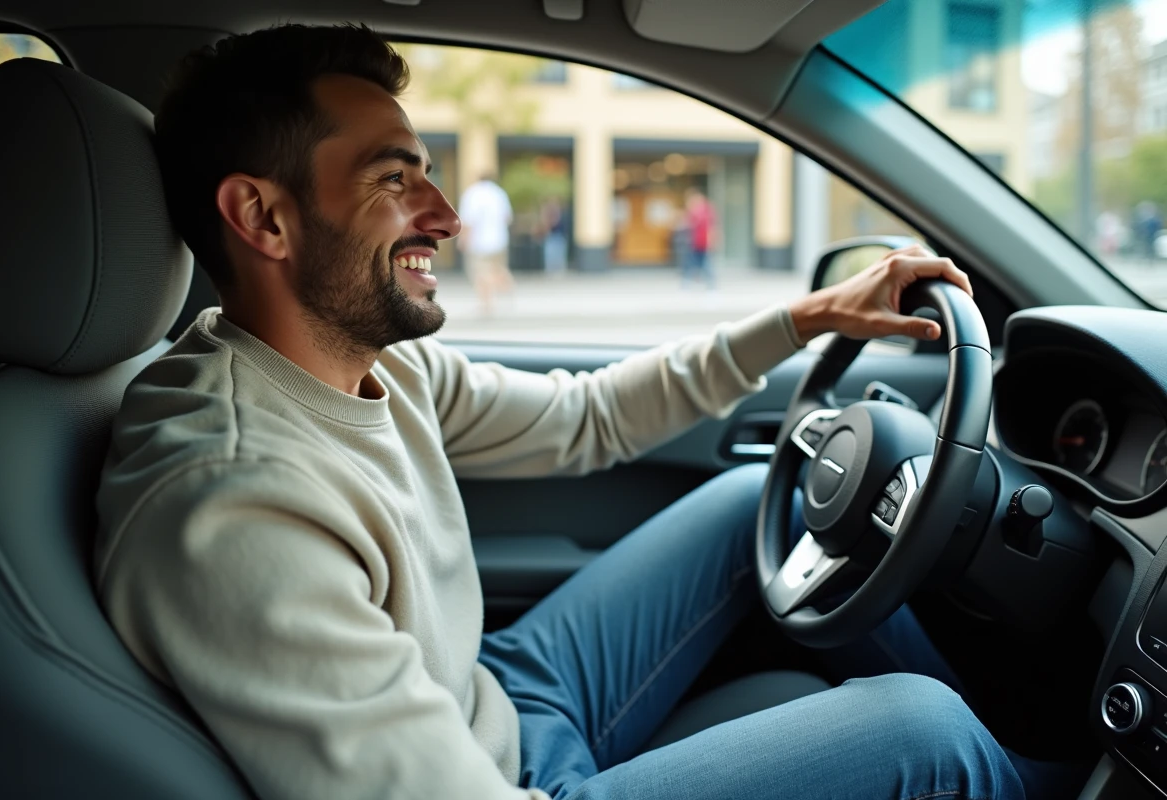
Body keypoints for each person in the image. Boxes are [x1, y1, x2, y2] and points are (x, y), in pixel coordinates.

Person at [95, 24, 1030, 800]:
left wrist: (804, 318)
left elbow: (587, 417)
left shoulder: (368, 364)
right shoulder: (229, 500)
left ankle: (1014, 751)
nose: (447, 216)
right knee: (924, 731)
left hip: (500, 691)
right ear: (262, 218)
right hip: (510, 784)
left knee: (763, 499)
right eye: (393, 180)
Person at [458, 170, 514, 313]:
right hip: (499, 240)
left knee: (480, 273)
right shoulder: (500, 193)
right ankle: (506, 285)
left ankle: (486, 303)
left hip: (479, 242)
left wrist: (463, 239)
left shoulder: (472, 194)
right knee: (497, 268)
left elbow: (468, 221)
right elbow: (508, 218)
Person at [681, 186, 717, 289]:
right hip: (695, 241)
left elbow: (712, 226)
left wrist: (711, 240)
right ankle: (688, 282)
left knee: (704, 263)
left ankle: (710, 283)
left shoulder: (704, 210)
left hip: (703, 242)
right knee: (694, 263)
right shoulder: (696, 210)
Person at [540, 195, 569, 275]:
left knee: (557, 255)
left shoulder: (557, 213)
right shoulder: (552, 212)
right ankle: (552, 271)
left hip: (558, 235)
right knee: (552, 255)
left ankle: (557, 271)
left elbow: (552, 222)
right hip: (553, 236)